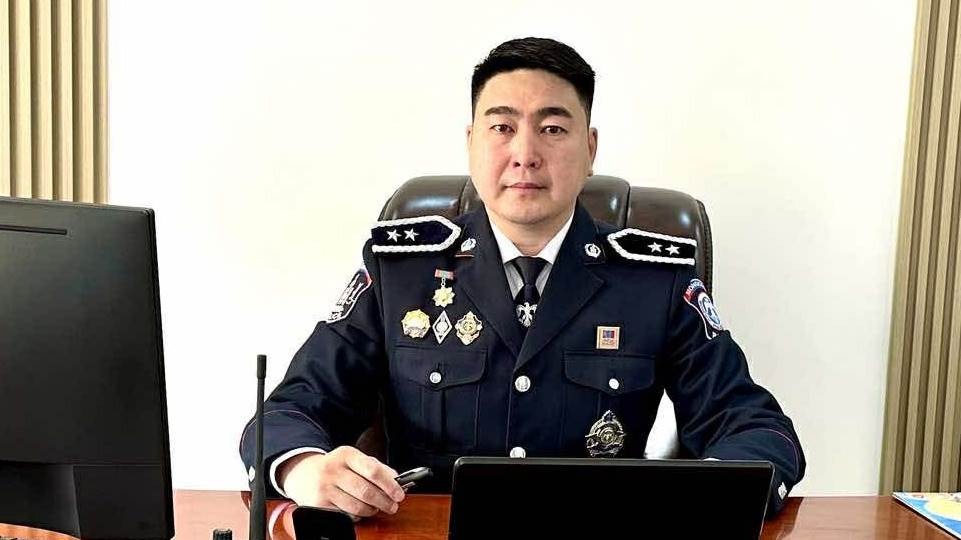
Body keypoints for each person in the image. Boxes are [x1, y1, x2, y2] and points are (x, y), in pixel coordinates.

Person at [239, 36, 805, 520]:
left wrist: (705, 505)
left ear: (590, 149)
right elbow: (289, 412)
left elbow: (756, 428)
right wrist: (306, 469)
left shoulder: (653, 281)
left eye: (553, 128)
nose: (525, 153)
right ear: (471, 143)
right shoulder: (399, 270)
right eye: (502, 127)